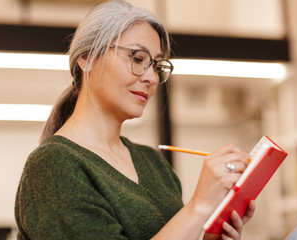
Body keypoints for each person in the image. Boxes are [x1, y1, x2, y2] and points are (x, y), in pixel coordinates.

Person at [14, 1, 255, 239]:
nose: (151, 77)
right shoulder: (54, 164)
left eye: (156, 65)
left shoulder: (154, 163)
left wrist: (211, 234)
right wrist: (199, 207)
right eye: (137, 58)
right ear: (87, 58)